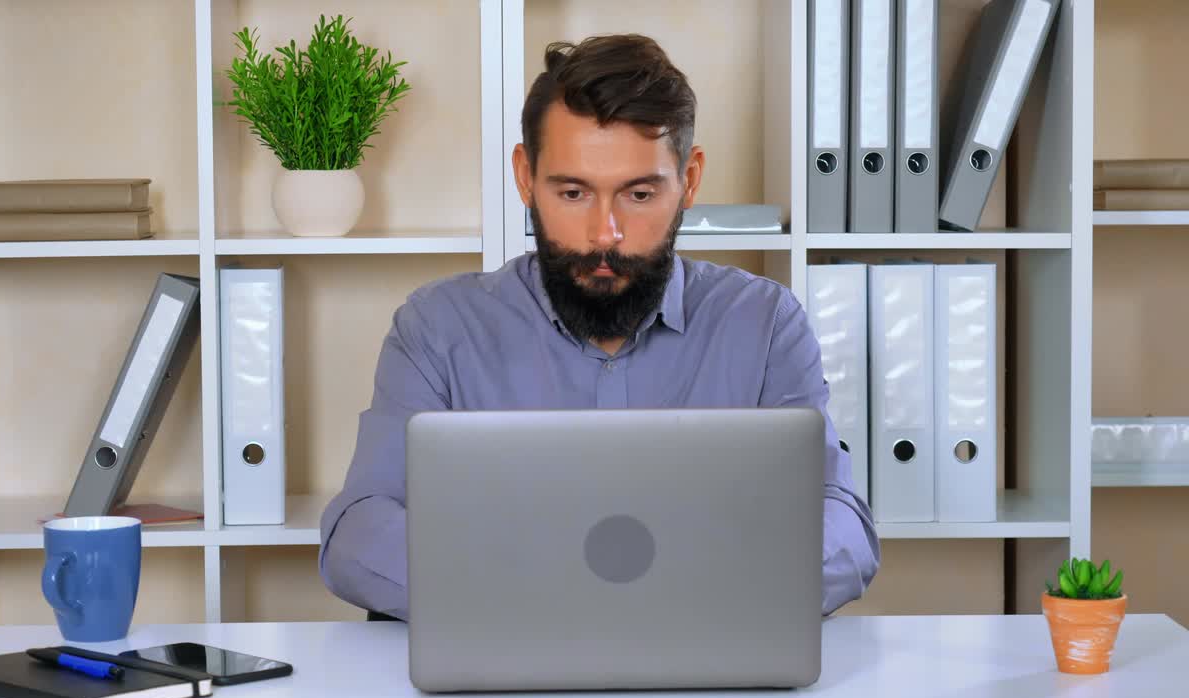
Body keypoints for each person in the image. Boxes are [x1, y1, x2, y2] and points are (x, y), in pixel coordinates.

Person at [318, 33, 880, 620]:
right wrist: (540, 601)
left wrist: (684, 599)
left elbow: (841, 524)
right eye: (572, 192)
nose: (604, 233)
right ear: (525, 176)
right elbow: (358, 531)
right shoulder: (438, 328)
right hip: (505, 668)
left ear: (688, 180)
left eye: (638, 194)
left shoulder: (766, 325)